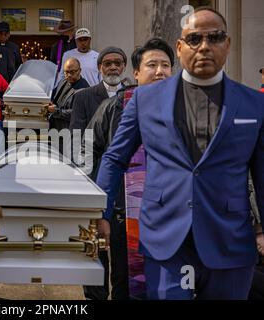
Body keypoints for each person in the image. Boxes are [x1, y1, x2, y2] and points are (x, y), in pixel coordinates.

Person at [96, 7, 264, 300]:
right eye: (195, 38)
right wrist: (101, 213)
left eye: (215, 38)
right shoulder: (144, 100)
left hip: (230, 242)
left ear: (228, 44)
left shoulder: (253, 104)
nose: (204, 46)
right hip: (167, 241)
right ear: (180, 46)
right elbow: (114, 157)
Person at [82, 38, 174, 300]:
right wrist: (102, 207)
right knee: (125, 280)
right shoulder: (117, 106)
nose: (160, 71)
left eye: (166, 65)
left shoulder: (184, 106)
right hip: (126, 211)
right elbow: (89, 149)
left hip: (170, 212)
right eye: (152, 65)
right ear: (136, 72)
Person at [70, 46, 129, 135]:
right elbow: (76, 137)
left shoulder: (132, 97)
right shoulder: (82, 97)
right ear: (99, 67)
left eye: (117, 63)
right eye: (108, 64)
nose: (113, 67)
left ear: (124, 66)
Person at [48, 57, 89, 131]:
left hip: (69, 133)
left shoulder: (85, 90)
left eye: (72, 72)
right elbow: (53, 97)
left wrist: (56, 111)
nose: (69, 75)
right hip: (55, 129)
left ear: (79, 71)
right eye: (66, 72)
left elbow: (77, 113)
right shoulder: (63, 82)